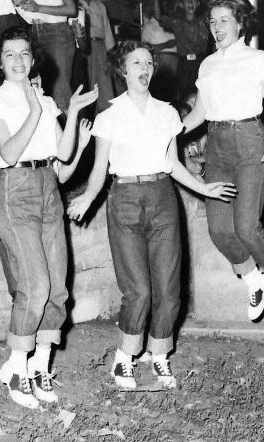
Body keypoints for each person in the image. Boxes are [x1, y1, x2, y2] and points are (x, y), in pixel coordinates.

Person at [67, 41, 236, 391]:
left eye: (148, 62)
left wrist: (204, 189)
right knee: (139, 290)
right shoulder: (108, 116)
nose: (143, 68)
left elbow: (173, 163)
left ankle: (158, 354)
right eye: (135, 62)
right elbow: (100, 169)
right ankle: (125, 358)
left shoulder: (167, 113)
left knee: (169, 287)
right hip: (125, 198)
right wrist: (86, 197)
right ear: (123, 71)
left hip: (162, 197)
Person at [0, 27, 97, 408]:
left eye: (25, 54)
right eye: (10, 54)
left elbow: (61, 157)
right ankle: (15, 365)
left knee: (58, 289)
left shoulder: (45, 99)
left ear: (33, 59)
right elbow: (9, 153)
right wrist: (32, 108)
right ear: (0, 62)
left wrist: (73, 113)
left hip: (48, 189)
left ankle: (40, 365)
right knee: (35, 286)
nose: (18, 61)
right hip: (15, 191)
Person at [179, 0, 264, 322]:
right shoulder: (207, 64)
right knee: (219, 230)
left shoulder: (257, 58)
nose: (217, 28)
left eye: (224, 21)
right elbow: (200, 114)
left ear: (240, 23)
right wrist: (169, 129)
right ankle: (252, 279)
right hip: (217, 145)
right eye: (213, 22)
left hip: (251, 142)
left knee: (247, 226)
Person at [13, 0, 78, 112]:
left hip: (57, 34)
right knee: (43, 92)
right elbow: (29, 13)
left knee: (60, 92)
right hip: (36, 33)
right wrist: (19, 3)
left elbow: (71, 9)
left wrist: (38, 7)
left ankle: (75, 137)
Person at [74, 0, 115, 110]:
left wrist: (110, 52)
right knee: (88, 82)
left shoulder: (100, 6)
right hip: (83, 47)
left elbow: (107, 30)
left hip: (100, 46)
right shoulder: (75, 4)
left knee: (104, 82)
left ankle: (105, 114)